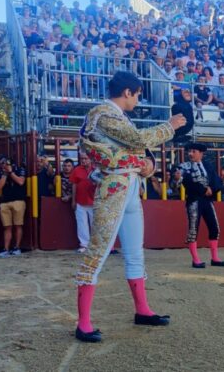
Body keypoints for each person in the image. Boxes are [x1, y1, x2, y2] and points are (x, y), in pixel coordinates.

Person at [74, 71, 187, 343]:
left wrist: (148, 167)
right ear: (127, 92)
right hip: (113, 188)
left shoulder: (115, 117)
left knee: (135, 252)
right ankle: (83, 323)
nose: (137, 100)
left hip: (129, 187)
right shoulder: (102, 114)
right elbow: (137, 141)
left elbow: (137, 153)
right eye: (137, 95)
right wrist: (169, 126)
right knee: (97, 252)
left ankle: (142, 310)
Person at [179, 143, 224, 269]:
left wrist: (212, 188)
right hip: (194, 200)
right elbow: (187, 182)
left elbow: (216, 181)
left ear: (201, 153)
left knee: (214, 228)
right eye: (189, 151)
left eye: (193, 151)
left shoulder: (208, 166)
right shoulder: (184, 167)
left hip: (207, 200)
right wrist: (203, 189)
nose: (190, 153)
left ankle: (215, 258)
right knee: (193, 230)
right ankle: (196, 260)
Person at [0, 157, 27, 258]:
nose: (3, 165)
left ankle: (17, 247)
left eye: (4, 163)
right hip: (5, 202)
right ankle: (6, 249)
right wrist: (5, 174)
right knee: (7, 226)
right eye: (1, 164)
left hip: (18, 200)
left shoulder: (20, 170)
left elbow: (21, 182)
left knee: (18, 225)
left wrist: (11, 172)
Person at [70, 153, 96, 254]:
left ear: (90, 159)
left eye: (85, 158)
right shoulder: (77, 170)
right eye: (82, 159)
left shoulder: (96, 169)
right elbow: (74, 185)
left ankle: (94, 246)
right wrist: (73, 200)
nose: (83, 160)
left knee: (95, 224)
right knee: (82, 224)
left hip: (94, 201)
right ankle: (84, 245)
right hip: (80, 201)